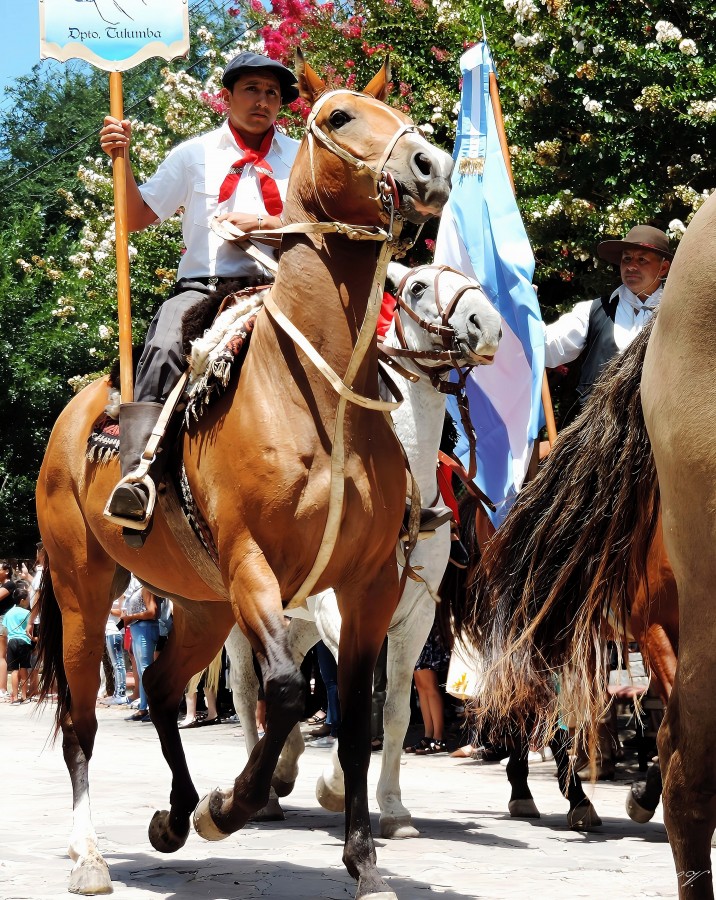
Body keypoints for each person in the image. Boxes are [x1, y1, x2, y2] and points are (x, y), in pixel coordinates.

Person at [98, 52, 301, 536]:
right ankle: (138, 479)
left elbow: (319, 222)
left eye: (273, 93)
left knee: (367, 342)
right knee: (167, 343)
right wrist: (120, 160)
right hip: (205, 289)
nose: (264, 100)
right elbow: (136, 216)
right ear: (226, 97)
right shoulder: (194, 154)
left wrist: (268, 225)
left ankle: (399, 485)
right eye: (252, 89)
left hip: (284, 285)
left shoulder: (300, 156)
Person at [544, 225, 672, 416]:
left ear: (663, 268)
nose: (631, 266)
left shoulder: (675, 315)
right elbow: (548, 347)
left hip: (656, 434)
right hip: (597, 437)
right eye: (626, 258)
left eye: (642, 259)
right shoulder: (593, 311)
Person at [121, 575, 160, 722]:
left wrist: (132, 617)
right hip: (137, 629)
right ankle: (143, 707)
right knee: (141, 670)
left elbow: (152, 611)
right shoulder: (135, 589)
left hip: (144, 628)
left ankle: (149, 707)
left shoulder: (145, 587)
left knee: (145, 670)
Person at [4, 586, 33, 704]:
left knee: (14, 671)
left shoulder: (8, 613)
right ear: (22, 600)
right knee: (24, 669)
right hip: (23, 642)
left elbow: (5, 630)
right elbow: (30, 629)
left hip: (11, 642)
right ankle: (24, 697)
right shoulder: (27, 613)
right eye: (27, 599)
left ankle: (15, 698)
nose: (28, 601)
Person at [0, 562, 17, 700]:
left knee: (1, 655)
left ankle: (3, 689)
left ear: (6, 571)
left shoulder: (9, 584)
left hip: (3, 620)